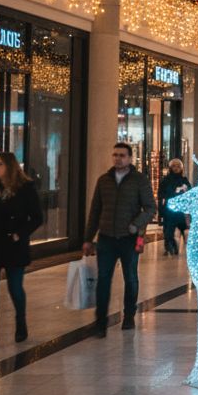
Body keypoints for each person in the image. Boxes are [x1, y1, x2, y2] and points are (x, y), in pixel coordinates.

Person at [83, 143, 156, 336]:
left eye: (122, 155)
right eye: (115, 155)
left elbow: (150, 208)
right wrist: (88, 238)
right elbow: (95, 211)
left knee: (130, 277)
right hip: (106, 238)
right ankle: (100, 322)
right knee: (103, 279)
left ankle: (129, 315)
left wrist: (136, 225)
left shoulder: (139, 180)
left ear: (130, 158)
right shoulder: (103, 181)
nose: (118, 158)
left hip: (128, 238)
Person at [0, 153, 43, 349]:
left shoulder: (25, 189)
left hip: (14, 245)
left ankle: (21, 322)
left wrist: (20, 234)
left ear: (10, 167)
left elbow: (37, 217)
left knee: (15, 288)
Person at [157, 159, 190, 256]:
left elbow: (189, 192)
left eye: (178, 166)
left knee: (184, 229)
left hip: (181, 210)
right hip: (169, 210)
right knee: (168, 231)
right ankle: (170, 247)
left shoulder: (184, 180)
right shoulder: (166, 180)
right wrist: (161, 210)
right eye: (174, 166)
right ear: (170, 168)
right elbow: (161, 195)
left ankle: (178, 247)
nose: (176, 168)